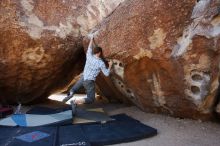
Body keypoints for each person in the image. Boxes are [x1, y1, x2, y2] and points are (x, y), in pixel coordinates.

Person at [62, 35, 113, 104]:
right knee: (90, 99)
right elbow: (106, 74)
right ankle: (75, 102)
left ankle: (71, 94)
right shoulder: (101, 63)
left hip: (83, 77)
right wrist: (110, 66)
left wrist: (91, 39)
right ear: (100, 53)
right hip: (89, 81)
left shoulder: (89, 56)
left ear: (94, 52)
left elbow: (89, 48)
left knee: (73, 89)